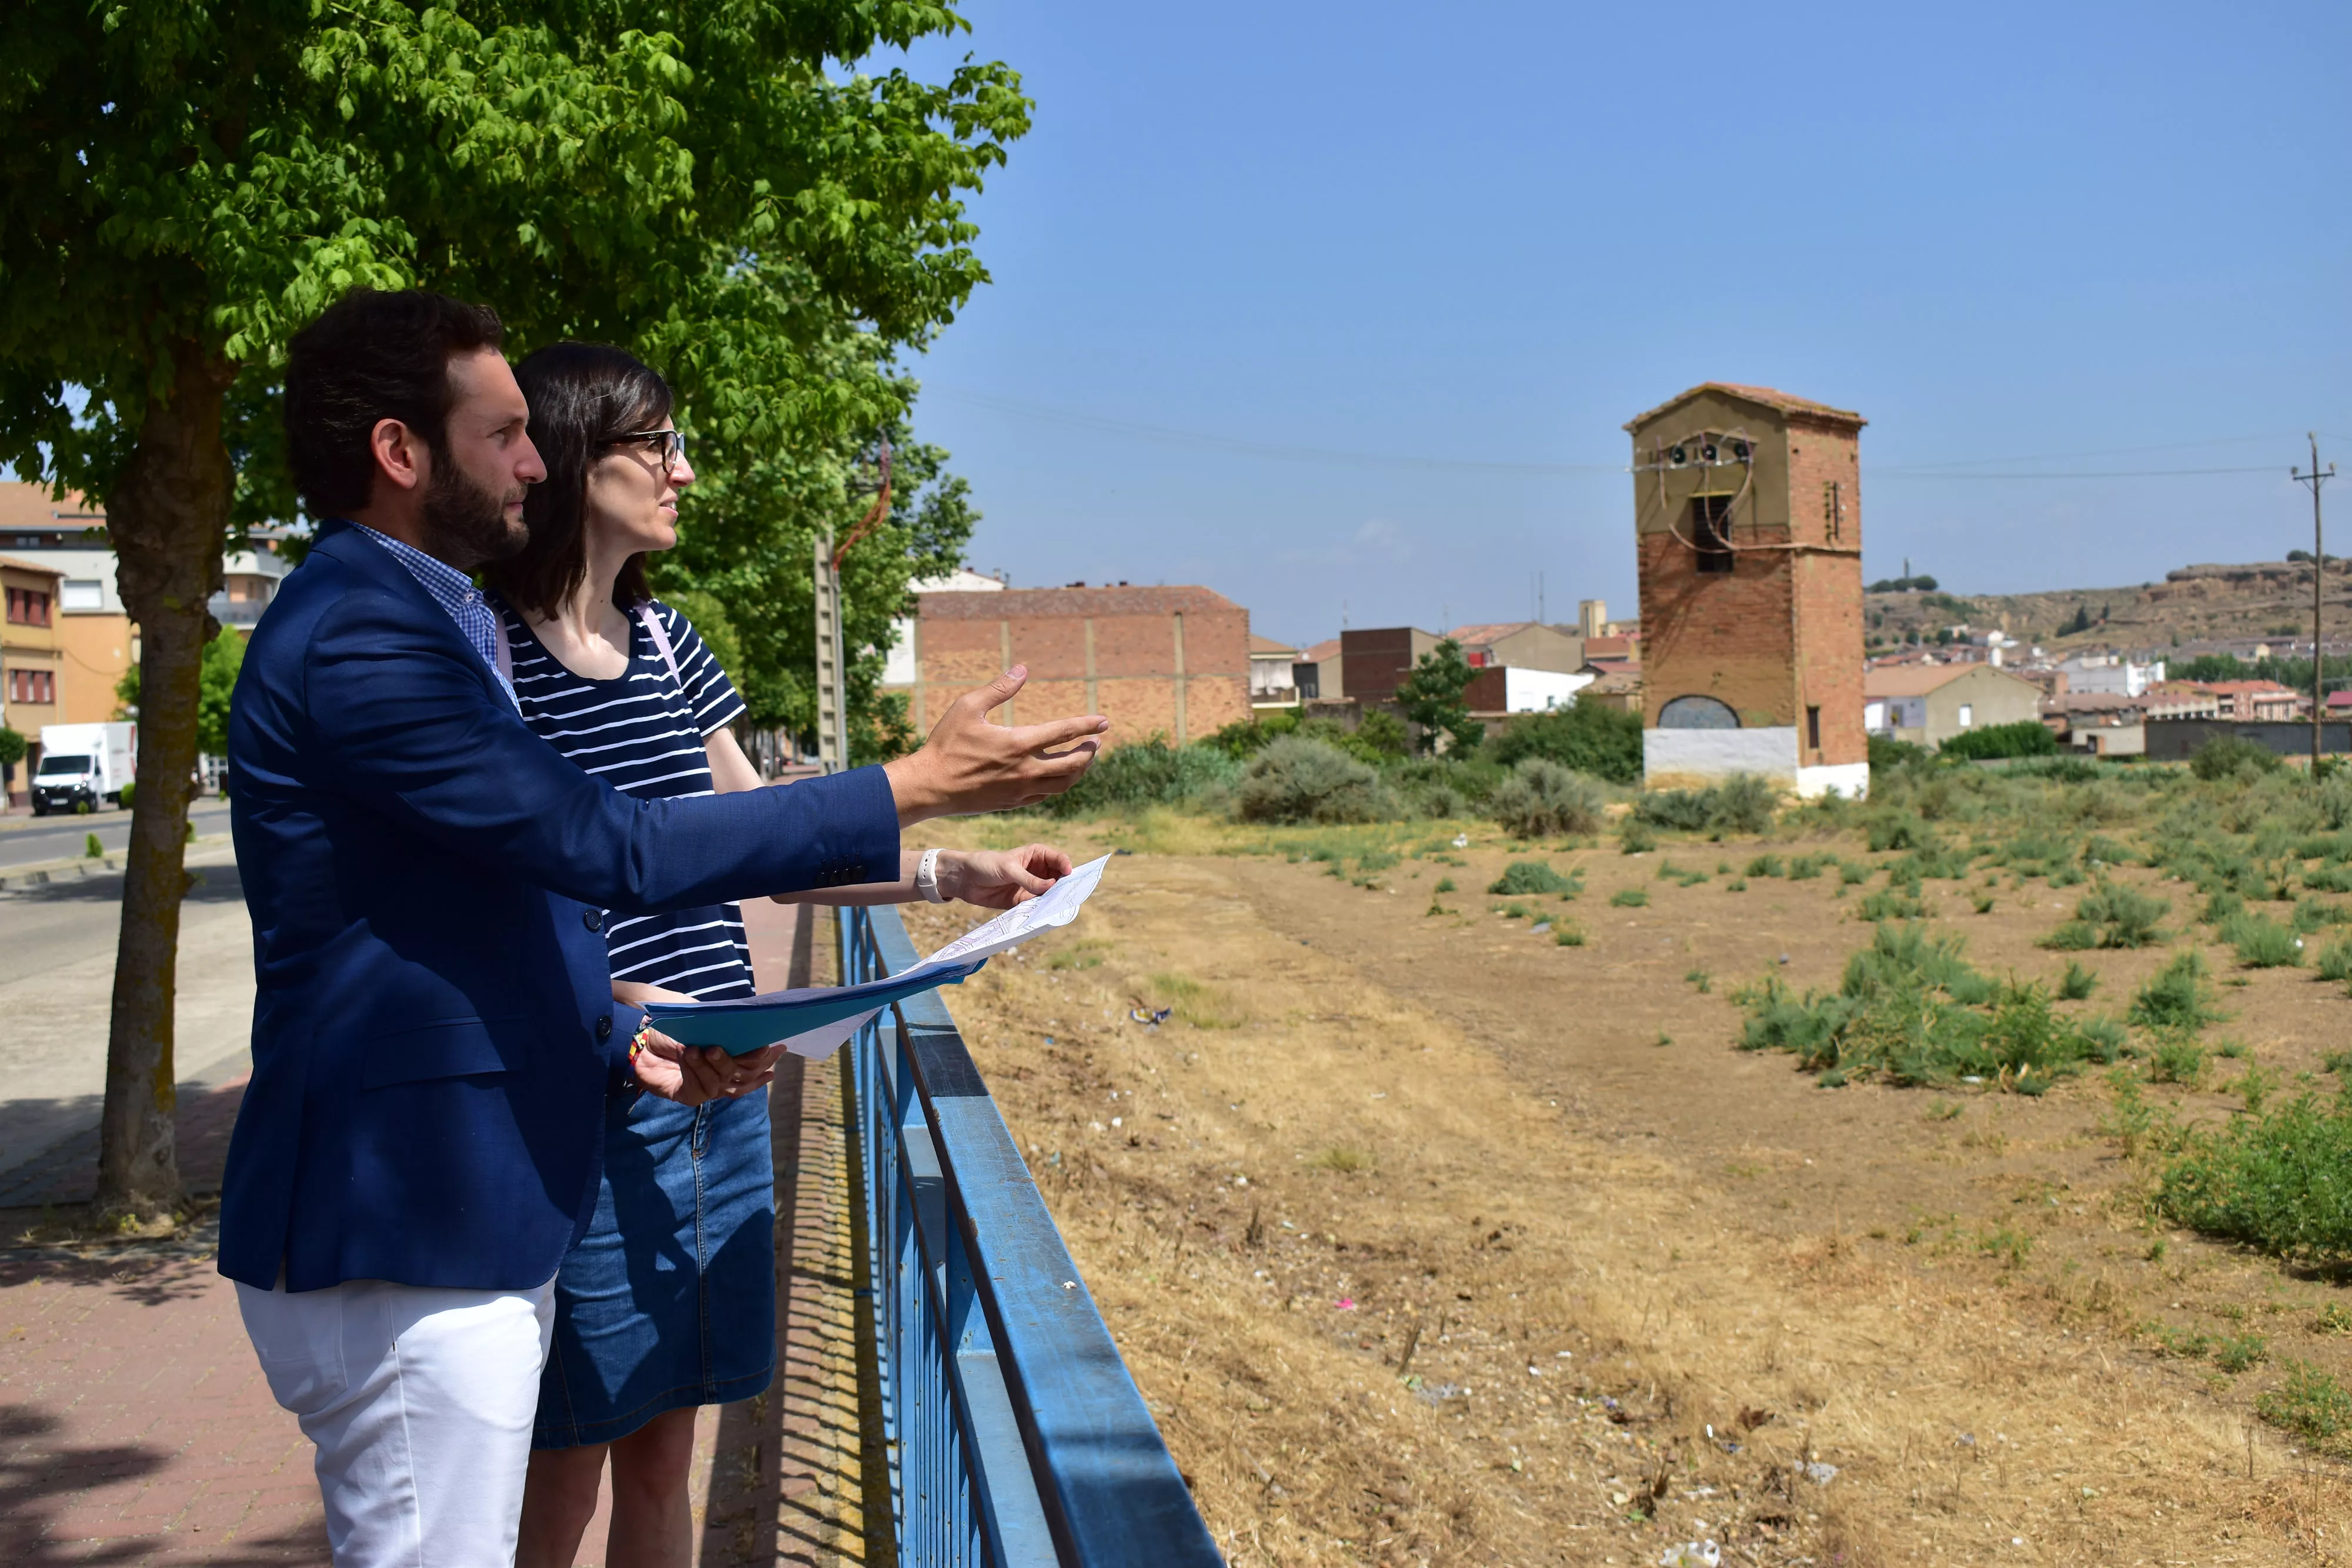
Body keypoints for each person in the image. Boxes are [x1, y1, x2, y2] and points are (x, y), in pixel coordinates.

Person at [222, 287, 1105, 1567]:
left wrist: (620, 1030)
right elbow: (610, 849)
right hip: (411, 1222)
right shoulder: (367, 634)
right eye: (503, 433)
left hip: (478, 1194)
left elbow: (499, 906)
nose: (533, 460)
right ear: (401, 453)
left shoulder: (422, 616)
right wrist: (913, 784)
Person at [479, 343, 1063, 1567]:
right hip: (593, 1097)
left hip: (723, 1090)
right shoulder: (490, 659)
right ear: (582, 456)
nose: (685, 471)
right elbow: (503, 907)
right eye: (661, 446)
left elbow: (760, 839)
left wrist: (954, 874)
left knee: (665, 1454)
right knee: (564, 1464)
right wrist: (627, 1002)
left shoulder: (673, 644)